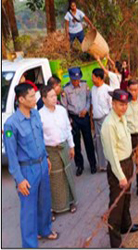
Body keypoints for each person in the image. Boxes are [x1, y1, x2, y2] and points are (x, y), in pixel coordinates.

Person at [3, 83, 58, 248]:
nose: (36, 99)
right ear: (21, 99)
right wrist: (19, 179)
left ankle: (45, 230)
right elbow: (12, 156)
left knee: (44, 202)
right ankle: (29, 244)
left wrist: (46, 157)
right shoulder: (11, 125)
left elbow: (40, 138)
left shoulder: (35, 114)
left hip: (41, 165)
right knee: (29, 211)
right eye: (32, 96)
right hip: (27, 170)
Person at [101, 89, 138, 248]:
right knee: (116, 205)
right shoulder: (109, 125)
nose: (124, 107)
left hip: (127, 162)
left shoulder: (121, 118)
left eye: (125, 104)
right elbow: (111, 154)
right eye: (120, 104)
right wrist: (120, 176)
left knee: (127, 198)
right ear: (113, 104)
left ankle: (126, 225)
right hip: (119, 168)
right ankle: (115, 242)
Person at [39, 86, 77, 221]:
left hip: (64, 147)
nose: (55, 98)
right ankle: (53, 208)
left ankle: (71, 202)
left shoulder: (61, 110)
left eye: (55, 96)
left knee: (67, 174)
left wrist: (71, 146)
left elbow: (68, 128)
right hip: (50, 151)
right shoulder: (39, 115)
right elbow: (39, 138)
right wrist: (45, 156)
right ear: (44, 99)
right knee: (54, 179)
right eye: (51, 96)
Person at [61, 67, 97, 176]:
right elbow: (64, 106)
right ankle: (79, 165)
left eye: (78, 79)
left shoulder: (85, 86)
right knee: (76, 143)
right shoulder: (66, 90)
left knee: (88, 141)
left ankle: (92, 164)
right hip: (74, 119)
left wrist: (86, 109)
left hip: (84, 117)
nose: (76, 82)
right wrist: (69, 121)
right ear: (71, 79)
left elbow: (88, 99)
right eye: (74, 80)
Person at [91, 68, 113, 171]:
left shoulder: (108, 90)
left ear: (99, 78)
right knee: (98, 142)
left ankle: (111, 163)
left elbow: (111, 107)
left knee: (107, 142)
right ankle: (102, 165)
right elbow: (92, 105)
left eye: (93, 77)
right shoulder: (92, 89)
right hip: (96, 120)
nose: (92, 79)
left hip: (105, 119)